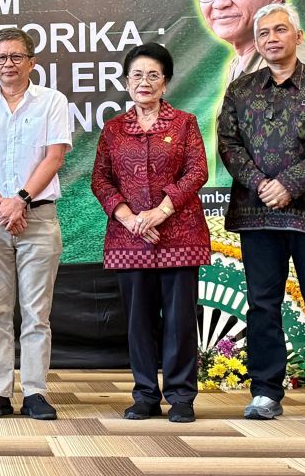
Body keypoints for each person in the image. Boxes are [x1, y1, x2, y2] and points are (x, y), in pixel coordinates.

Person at [219, 3, 305, 422]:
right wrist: (262, 185)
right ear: (257, 43)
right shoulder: (241, 89)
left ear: (297, 36)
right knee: (262, 303)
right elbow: (228, 144)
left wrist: (289, 185)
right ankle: (265, 391)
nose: (272, 38)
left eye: (280, 30)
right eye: (264, 33)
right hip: (257, 213)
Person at [91, 43, 211, 424]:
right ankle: (144, 394)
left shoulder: (185, 123)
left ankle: (181, 396)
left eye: (153, 75)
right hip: (129, 240)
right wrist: (130, 219)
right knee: (138, 321)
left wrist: (160, 213)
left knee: (179, 320)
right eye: (137, 75)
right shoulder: (113, 129)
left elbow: (197, 171)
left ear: (166, 83)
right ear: (127, 82)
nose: (144, 82)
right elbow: (100, 180)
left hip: (180, 235)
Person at [0, 28, 71, 420]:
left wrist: (20, 200)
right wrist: (0, 205)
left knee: (37, 313)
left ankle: (36, 392)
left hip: (38, 217)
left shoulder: (52, 101)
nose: (8, 64)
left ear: (31, 62)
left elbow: (54, 157)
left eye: (16, 56)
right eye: (1, 57)